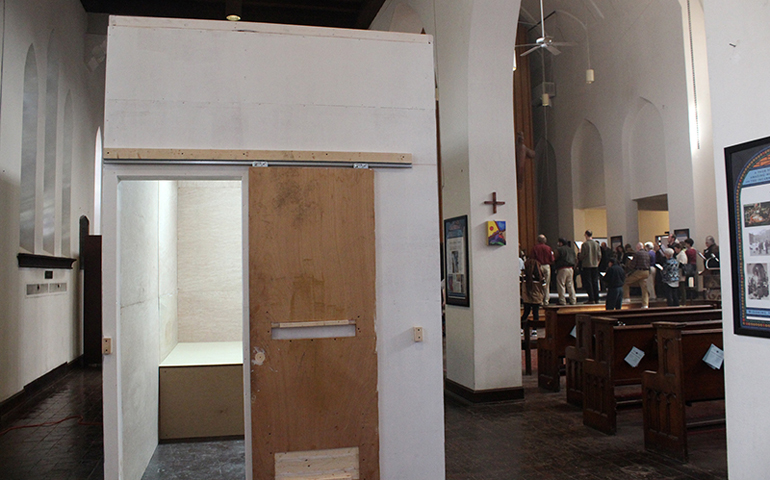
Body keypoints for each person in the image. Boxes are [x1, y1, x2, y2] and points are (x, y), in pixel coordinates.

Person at [623, 242, 651, 307]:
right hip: (646, 272)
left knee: (626, 281)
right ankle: (645, 304)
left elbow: (633, 265)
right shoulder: (647, 253)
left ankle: (626, 298)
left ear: (638, 247)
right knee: (644, 288)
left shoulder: (637, 254)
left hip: (639, 271)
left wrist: (627, 271)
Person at [521, 258, 546, 327]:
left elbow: (521, 284)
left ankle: (522, 328)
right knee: (536, 313)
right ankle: (534, 329)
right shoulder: (540, 276)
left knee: (526, 312)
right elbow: (544, 286)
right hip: (537, 296)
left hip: (527, 296)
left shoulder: (525, 275)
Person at [579, 230, 601, 303]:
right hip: (595, 265)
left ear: (586, 235)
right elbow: (599, 255)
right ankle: (597, 298)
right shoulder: (596, 244)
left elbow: (582, 256)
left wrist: (579, 253)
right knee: (595, 282)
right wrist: (597, 263)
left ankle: (591, 298)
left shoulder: (585, 244)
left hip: (587, 265)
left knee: (588, 282)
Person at [531, 234, 554, 306]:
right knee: (546, 284)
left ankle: (540, 300)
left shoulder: (535, 248)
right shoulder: (548, 248)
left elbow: (532, 258)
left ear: (538, 240)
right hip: (547, 266)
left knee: (539, 284)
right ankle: (546, 300)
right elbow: (552, 259)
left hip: (538, 266)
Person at [554, 237, 577, 305]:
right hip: (571, 268)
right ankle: (573, 300)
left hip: (562, 268)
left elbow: (555, 257)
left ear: (561, 243)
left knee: (561, 285)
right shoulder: (571, 250)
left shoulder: (559, 249)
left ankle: (562, 301)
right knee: (570, 285)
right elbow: (575, 259)